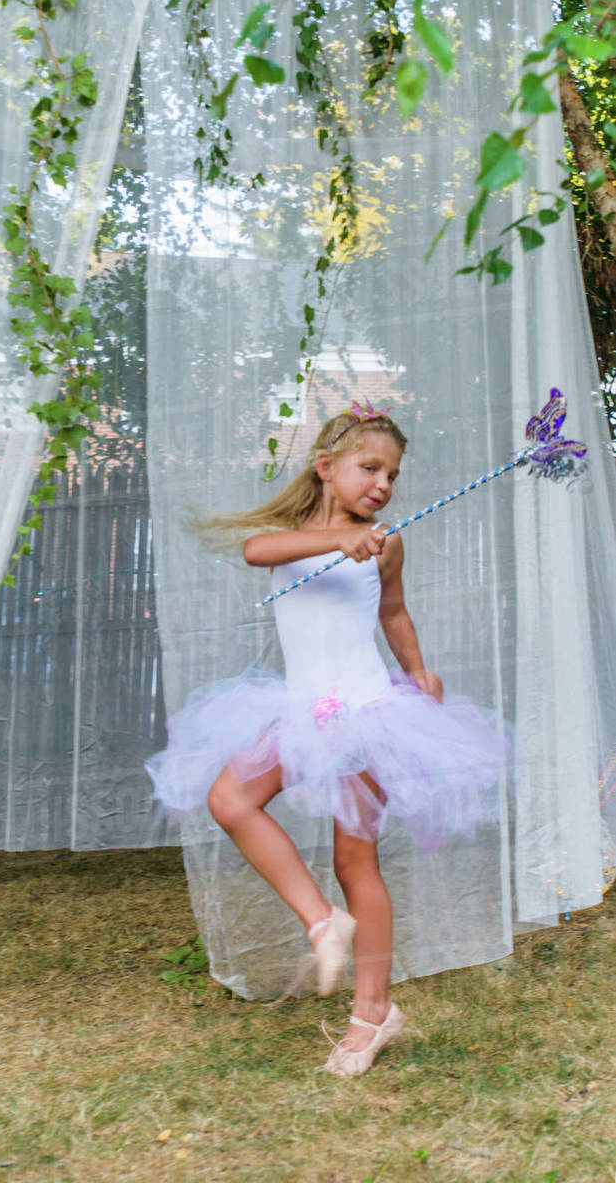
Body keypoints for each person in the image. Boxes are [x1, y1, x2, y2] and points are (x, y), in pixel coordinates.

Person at [146, 402, 508, 1077]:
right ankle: (320, 921)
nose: (382, 484)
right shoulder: (290, 534)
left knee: (355, 861)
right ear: (325, 468)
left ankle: (372, 1013)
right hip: (298, 710)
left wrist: (416, 670)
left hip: (366, 711)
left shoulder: (386, 541)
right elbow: (258, 551)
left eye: (391, 474)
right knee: (229, 800)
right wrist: (334, 542)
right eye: (369, 467)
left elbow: (393, 612)